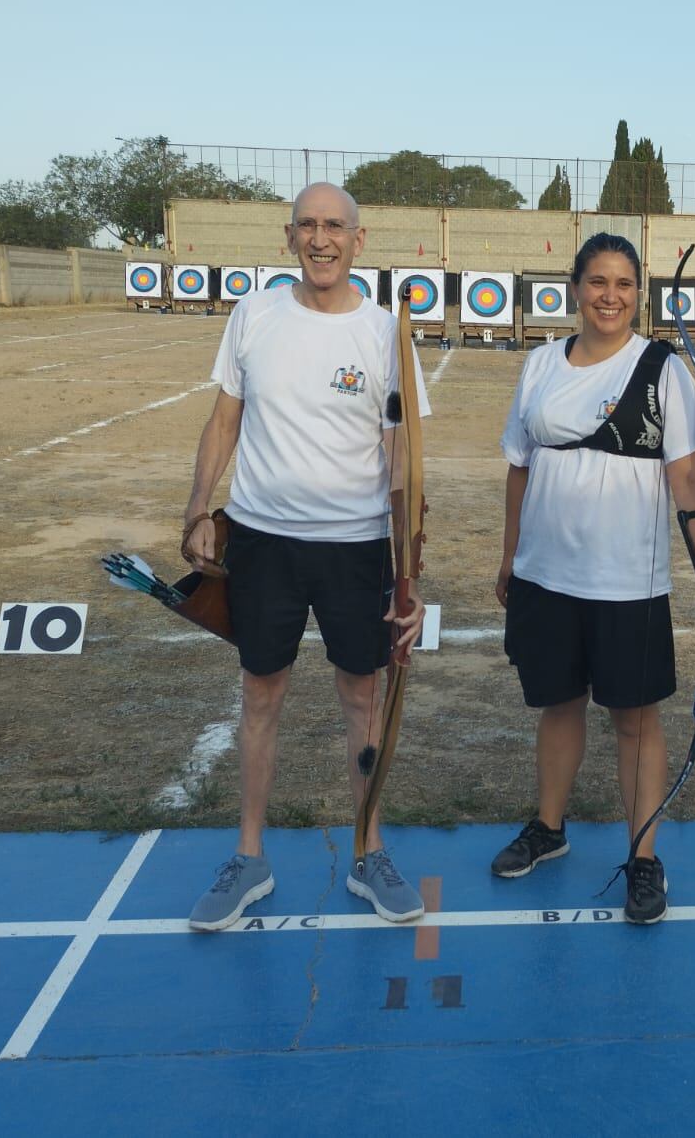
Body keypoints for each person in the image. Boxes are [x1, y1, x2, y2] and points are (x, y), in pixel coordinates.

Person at [181, 182, 429, 931]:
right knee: (260, 696)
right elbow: (225, 420)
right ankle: (249, 857)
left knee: (362, 699)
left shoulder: (387, 334)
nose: (322, 239)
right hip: (263, 542)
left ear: (359, 239)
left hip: (357, 548)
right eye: (308, 226)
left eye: (335, 227)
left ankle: (368, 852)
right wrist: (198, 507)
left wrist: (408, 571)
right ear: (289, 237)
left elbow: (403, 459)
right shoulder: (254, 315)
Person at [491, 233, 695, 924]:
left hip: (627, 579)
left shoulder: (661, 368)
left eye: (624, 284)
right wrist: (510, 555)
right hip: (546, 573)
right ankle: (549, 828)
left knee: (635, 720)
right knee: (558, 704)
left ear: (639, 292)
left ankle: (643, 857)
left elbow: (686, 473)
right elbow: (519, 465)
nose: (610, 296)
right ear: (576, 288)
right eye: (598, 281)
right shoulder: (541, 363)